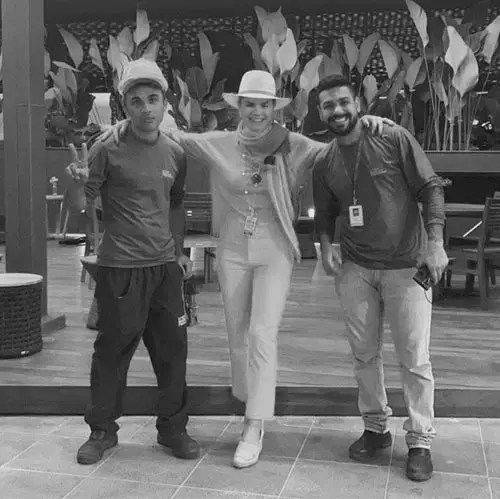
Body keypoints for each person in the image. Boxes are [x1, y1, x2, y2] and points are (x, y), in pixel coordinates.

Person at [105, 69, 390, 468]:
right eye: (250, 104)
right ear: (239, 107)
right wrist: (121, 125)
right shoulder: (218, 144)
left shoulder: (294, 145)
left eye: (265, 105)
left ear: (275, 108)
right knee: (237, 335)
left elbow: (340, 147)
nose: (257, 112)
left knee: (261, 334)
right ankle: (248, 398)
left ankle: (254, 425)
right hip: (232, 248)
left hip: (275, 247)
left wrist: (371, 123)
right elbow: (167, 133)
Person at [312, 74, 449, 482]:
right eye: (328, 105)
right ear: (319, 112)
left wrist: (436, 243)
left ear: (357, 103)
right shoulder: (325, 161)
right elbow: (325, 212)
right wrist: (325, 246)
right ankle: (375, 429)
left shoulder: (391, 137)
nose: (337, 110)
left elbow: (430, 187)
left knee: (414, 357)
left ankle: (420, 440)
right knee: (364, 355)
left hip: (407, 266)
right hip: (355, 270)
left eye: (343, 102)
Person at [66, 58, 200, 465]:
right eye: (136, 101)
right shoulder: (106, 147)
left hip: (164, 271)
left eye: (153, 99)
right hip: (121, 269)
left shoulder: (175, 152)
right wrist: (77, 185)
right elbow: (80, 206)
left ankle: (173, 429)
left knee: (173, 352)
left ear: (165, 103)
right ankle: (102, 430)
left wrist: (179, 252)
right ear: (124, 105)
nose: (146, 108)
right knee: (112, 351)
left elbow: (175, 205)